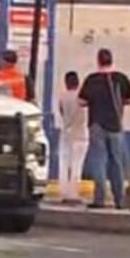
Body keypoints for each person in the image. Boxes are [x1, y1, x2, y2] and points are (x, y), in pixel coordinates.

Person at [78, 48, 130, 209]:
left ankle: (99, 199)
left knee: (99, 161)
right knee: (116, 162)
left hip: (96, 124)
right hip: (116, 125)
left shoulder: (92, 79)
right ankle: (119, 199)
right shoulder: (121, 79)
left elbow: (81, 102)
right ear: (111, 60)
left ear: (98, 60)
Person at [56, 71, 88, 204]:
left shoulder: (62, 97)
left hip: (65, 132)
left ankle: (63, 191)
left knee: (64, 163)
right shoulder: (83, 97)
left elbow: (62, 112)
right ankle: (73, 193)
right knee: (77, 164)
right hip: (80, 133)